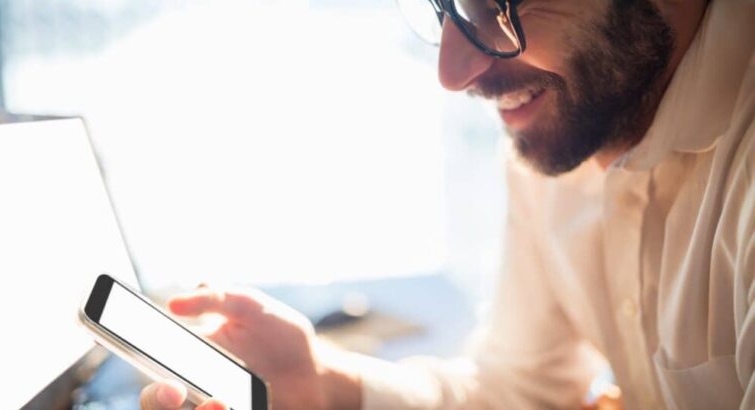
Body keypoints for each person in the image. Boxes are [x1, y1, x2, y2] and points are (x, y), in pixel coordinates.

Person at [141, 0, 755, 408]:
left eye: (491, 6)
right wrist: (325, 385)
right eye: (445, 8)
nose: (453, 70)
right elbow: (521, 391)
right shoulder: (564, 128)